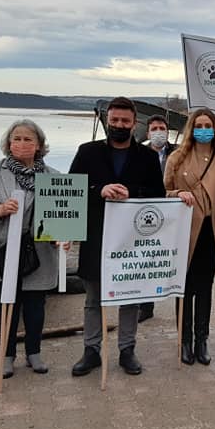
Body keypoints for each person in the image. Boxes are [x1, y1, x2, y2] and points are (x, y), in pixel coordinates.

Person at [69, 97, 165, 377]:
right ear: (107, 121)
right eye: (114, 120)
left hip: (131, 240)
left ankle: (127, 350)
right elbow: (73, 189)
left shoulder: (147, 157)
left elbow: (157, 195)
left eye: (125, 121)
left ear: (134, 124)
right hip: (96, 237)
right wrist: (99, 190)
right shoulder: (87, 151)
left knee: (130, 298)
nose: (119, 125)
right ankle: (91, 350)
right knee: (93, 299)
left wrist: (131, 193)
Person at [0, 119, 65, 378]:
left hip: (40, 252)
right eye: (17, 139)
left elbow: (63, 215)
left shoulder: (53, 177)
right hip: (5, 249)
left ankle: (34, 352)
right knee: (6, 303)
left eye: (28, 139)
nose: (22, 143)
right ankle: (7, 354)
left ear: (39, 145)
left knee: (36, 306)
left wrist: (64, 235)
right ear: (9, 143)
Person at [164, 108, 215, 365]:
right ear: (192, 128)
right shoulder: (177, 158)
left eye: (208, 125)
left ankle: (202, 340)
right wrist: (177, 194)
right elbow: (163, 192)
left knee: (205, 288)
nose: (204, 130)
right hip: (184, 232)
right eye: (199, 125)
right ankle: (184, 340)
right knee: (184, 288)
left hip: (211, 233)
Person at [138, 114, 176, 323]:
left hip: (171, 212)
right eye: (154, 129)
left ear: (168, 132)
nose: (158, 132)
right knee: (146, 259)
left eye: (162, 128)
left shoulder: (178, 153)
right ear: (147, 133)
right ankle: (146, 306)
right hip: (146, 212)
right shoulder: (139, 153)